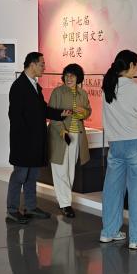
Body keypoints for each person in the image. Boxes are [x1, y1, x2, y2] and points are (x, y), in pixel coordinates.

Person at [99, 50, 137, 250]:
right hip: (135, 144)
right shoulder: (132, 87)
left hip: (115, 145)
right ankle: (136, 238)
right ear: (130, 65)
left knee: (112, 190)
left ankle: (109, 232)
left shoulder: (108, 86)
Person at [8, 52, 71, 224]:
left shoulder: (34, 86)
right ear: (32, 64)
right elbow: (15, 117)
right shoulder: (19, 86)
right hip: (24, 142)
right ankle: (12, 210)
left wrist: (60, 114)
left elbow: (42, 109)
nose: (44, 67)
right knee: (20, 176)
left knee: (32, 175)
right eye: (42, 64)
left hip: (36, 141)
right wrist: (26, 139)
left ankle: (30, 207)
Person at [47, 63, 91, 218]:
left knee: (70, 170)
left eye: (72, 75)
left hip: (76, 135)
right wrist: (62, 131)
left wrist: (83, 112)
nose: (69, 78)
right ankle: (65, 204)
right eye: (66, 75)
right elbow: (52, 114)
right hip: (60, 135)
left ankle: (65, 200)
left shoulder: (83, 93)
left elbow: (88, 111)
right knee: (60, 169)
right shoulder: (57, 92)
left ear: (79, 77)